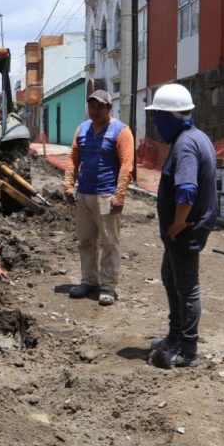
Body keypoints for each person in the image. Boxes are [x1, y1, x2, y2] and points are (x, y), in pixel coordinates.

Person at [145, 84, 218, 369]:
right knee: (170, 276)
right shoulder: (196, 137)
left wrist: (176, 224)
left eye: (158, 116)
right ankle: (174, 336)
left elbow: (186, 190)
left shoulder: (186, 145)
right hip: (184, 230)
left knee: (186, 288)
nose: (155, 123)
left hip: (185, 230)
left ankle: (187, 349)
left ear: (171, 116)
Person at [63, 89, 135, 306]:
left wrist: (119, 194)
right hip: (84, 194)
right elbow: (73, 159)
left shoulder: (121, 131)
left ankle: (108, 286)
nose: (95, 110)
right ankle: (88, 280)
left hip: (106, 195)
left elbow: (126, 164)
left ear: (109, 108)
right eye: (92, 105)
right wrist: (68, 184)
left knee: (109, 242)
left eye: (100, 106)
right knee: (86, 241)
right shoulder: (82, 129)